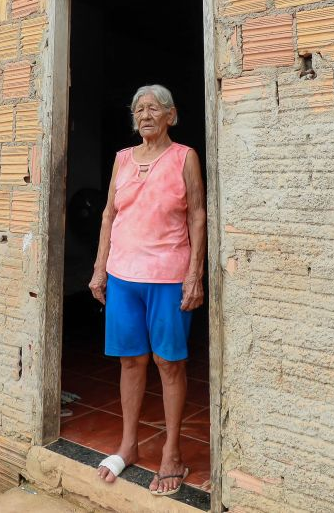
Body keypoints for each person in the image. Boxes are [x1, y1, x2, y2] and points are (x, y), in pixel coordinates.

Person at [89, 84, 207, 497]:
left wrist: (195, 273)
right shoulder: (122, 159)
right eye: (138, 109)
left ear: (171, 116)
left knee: (169, 363)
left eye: (154, 108)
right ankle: (128, 445)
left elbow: (197, 214)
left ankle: (172, 451)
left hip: (169, 276)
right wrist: (100, 268)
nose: (145, 114)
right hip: (123, 276)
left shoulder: (184, 157)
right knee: (130, 362)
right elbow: (108, 215)